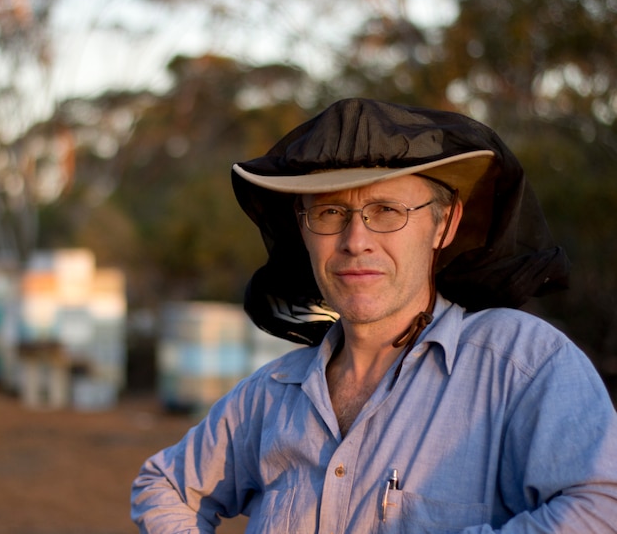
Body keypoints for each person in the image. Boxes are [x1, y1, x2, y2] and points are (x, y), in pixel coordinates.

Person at [131, 98, 617, 533]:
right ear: (303, 230)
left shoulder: (520, 366)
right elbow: (162, 486)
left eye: (386, 210)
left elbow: (602, 505)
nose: (355, 240)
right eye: (328, 213)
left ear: (443, 224)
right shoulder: (271, 393)